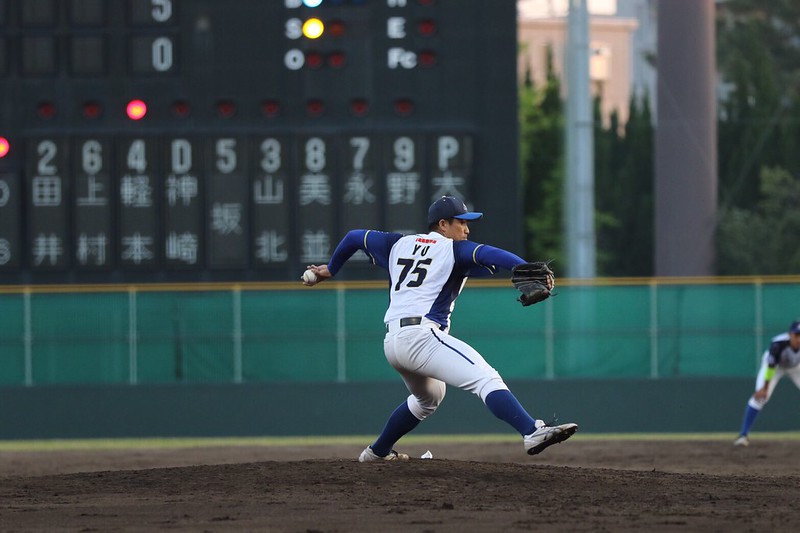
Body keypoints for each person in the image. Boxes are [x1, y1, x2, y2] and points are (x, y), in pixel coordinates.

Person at [302, 195, 578, 461]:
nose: (467, 229)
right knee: (486, 378)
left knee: (429, 399)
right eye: (462, 222)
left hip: (393, 343)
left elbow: (354, 237)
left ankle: (377, 452)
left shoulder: (396, 243)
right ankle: (531, 431)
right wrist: (524, 267)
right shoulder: (454, 249)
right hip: (422, 337)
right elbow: (490, 254)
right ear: (443, 224)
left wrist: (330, 269)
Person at [734, 320, 800, 446]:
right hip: (775, 367)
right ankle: (743, 435)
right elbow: (771, 367)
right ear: (790, 334)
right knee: (761, 397)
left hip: (796, 367)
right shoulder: (778, 344)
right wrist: (764, 388)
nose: (799, 339)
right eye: (796, 335)